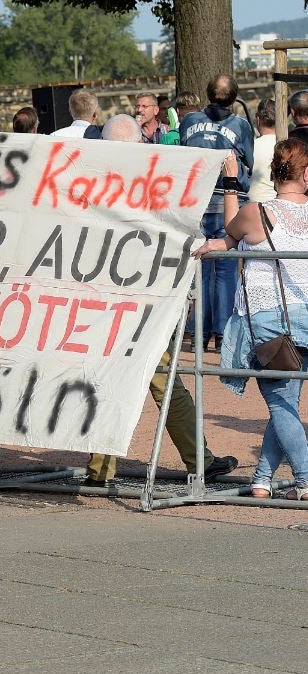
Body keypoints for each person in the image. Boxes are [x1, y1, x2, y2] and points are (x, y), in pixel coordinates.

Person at [86, 113, 237, 487]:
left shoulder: (93, 182)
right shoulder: (150, 181)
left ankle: (100, 469)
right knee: (165, 381)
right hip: (144, 303)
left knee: (115, 379)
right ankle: (198, 459)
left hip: (107, 300)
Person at [196, 140, 308, 501]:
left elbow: (230, 229)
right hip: (304, 316)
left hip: (270, 320)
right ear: (306, 174)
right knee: (287, 403)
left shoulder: (256, 213)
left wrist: (231, 180)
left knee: (281, 403)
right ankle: (262, 479)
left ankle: (305, 480)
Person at [181, 74, 254, 353]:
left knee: (200, 267)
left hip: (197, 201)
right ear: (234, 98)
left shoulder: (189, 121)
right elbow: (248, 161)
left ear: (208, 94)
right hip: (228, 201)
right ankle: (222, 331)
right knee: (224, 270)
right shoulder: (241, 125)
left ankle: (197, 331)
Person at [249, 98, 278, 203]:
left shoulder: (250, 147)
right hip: (280, 205)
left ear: (257, 119)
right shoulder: (288, 146)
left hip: (253, 207)